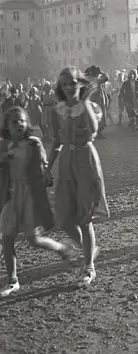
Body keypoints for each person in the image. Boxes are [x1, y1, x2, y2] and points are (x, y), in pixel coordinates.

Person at [0, 107, 71, 297]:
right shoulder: (4, 145)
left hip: (30, 195)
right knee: (7, 237)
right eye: (14, 121)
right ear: (7, 125)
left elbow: (44, 165)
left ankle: (60, 248)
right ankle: (12, 280)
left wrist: (46, 175)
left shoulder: (34, 143)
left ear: (27, 123)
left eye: (22, 121)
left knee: (33, 239)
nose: (19, 124)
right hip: (10, 194)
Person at [48, 67, 109, 287]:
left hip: (86, 160)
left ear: (80, 84)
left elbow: (93, 131)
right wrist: (48, 168)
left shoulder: (90, 107)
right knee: (64, 218)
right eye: (65, 84)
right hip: (65, 162)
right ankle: (89, 250)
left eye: (73, 83)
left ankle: (89, 267)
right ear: (61, 87)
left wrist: (85, 102)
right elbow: (57, 140)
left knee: (85, 217)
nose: (69, 87)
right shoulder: (58, 110)